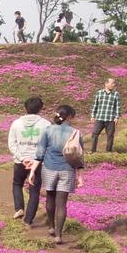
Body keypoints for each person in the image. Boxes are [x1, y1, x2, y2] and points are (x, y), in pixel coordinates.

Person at [28, 105, 84, 244]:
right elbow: (79, 157)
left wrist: (32, 171)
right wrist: (80, 176)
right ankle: (59, 234)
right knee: (62, 204)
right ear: (70, 116)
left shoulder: (48, 130)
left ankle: (52, 227)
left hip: (49, 168)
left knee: (50, 199)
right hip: (67, 170)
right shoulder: (76, 133)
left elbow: (39, 154)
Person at [7, 96, 51, 224]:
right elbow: (49, 145)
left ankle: (19, 208)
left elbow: (12, 143)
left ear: (25, 108)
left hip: (20, 161)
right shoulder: (46, 124)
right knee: (34, 190)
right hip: (38, 162)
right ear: (41, 108)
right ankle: (28, 220)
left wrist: (22, 158)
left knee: (17, 184)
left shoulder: (16, 123)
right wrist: (36, 159)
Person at [89, 78, 121, 152]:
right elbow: (95, 105)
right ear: (106, 84)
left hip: (110, 119)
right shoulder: (99, 93)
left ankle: (108, 151)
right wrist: (92, 116)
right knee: (95, 134)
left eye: (114, 83)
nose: (114, 85)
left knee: (110, 136)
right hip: (99, 118)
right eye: (112, 83)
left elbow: (118, 107)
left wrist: (117, 117)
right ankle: (92, 151)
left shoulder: (116, 94)